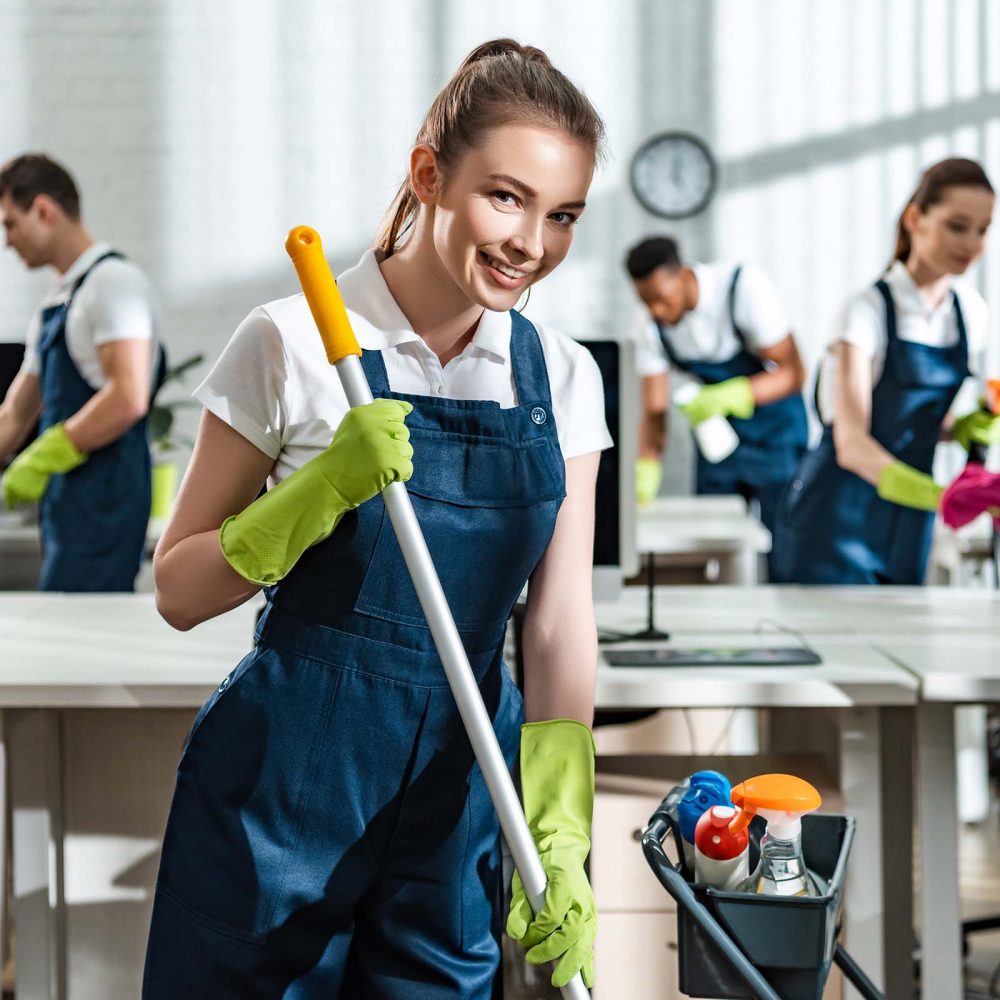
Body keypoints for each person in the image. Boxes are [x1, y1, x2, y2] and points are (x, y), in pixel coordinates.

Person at [142, 39, 610, 998]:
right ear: (429, 174)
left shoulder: (563, 376)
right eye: (507, 197)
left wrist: (562, 832)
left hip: (459, 794)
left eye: (562, 215)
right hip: (280, 794)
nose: (533, 242)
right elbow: (179, 590)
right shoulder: (292, 340)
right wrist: (314, 494)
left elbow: (558, 622)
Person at [774, 158, 1000, 585]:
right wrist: (943, 496)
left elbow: (924, 422)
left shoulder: (971, 313)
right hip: (837, 515)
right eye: (957, 225)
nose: (970, 242)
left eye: (983, 229)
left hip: (908, 519)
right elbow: (853, 444)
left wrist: (967, 427)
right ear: (915, 218)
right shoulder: (866, 311)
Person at [0, 154, 161, 592]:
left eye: (9, 223)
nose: (7, 240)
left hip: (105, 503)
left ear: (44, 210)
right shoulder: (59, 299)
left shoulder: (113, 284)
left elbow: (128, 397)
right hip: (67, 507)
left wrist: (44, 454)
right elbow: (16, 412)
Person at [625, 237, 809, 567]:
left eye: (662, 300)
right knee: (715, 546)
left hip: (776, 437)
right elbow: (654, 411)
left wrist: (736, 394)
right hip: (719, 444)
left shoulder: (743, 289)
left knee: (785, 549)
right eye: (646, 302)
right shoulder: (649, 326)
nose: (656, 311)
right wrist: (647, 467)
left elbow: (794, 373)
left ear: (682, 275)